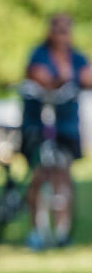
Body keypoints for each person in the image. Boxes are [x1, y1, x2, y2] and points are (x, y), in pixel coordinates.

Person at [20, 13, 92, 250]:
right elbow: (40, 77)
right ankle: (36, 230)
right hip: (40, 120)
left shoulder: (78, 57)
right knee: (40, 173)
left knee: (64, 175)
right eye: (58, 29)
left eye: (66, 29)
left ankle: (62, 230)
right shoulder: (39, 54)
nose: (62, 34)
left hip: (66, 122)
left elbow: (85, 77)